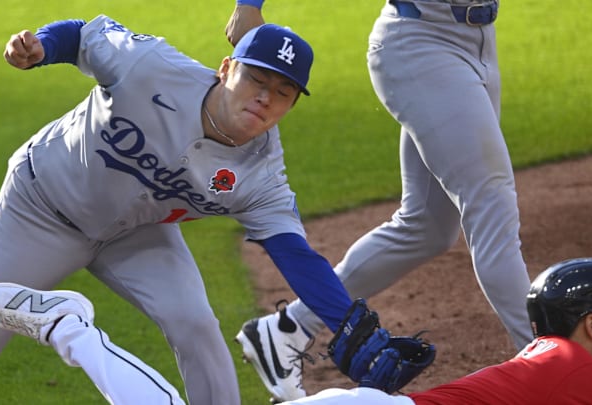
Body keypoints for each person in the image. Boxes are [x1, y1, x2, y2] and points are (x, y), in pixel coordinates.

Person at [0, 15, 385, 405]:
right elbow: (82, 38)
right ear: (226, 69)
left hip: (135, 232)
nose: (266, 98)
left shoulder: (262, 173)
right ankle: (55, 317)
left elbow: (295, 255)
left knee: (195, 324)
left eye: (283, 92)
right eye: (257, 80)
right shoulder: (150, 67)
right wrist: (40, 49)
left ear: (292, 104)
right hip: (41, 209)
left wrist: (349, 324)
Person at [226, 0, 534, 400]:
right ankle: (556, 363)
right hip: (422, 43)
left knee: (427, 226)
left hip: (477, 40)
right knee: (490, 204)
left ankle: (289, 328)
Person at [0, 257, 592, 404]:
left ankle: (69, 327)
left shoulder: (547, 358)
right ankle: (69, 325)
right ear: (589, 322)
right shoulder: (578, 375)